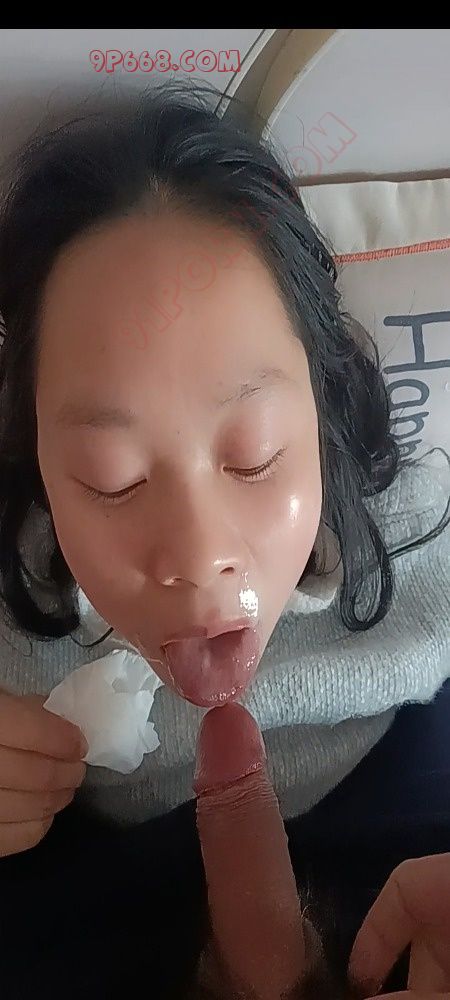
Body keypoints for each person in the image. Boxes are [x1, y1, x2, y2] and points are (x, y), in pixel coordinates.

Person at [0, 81, 449, 996]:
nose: (199, 555)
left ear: (320, 396)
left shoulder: (426, 539)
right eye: (113, 479)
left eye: (253, 458)